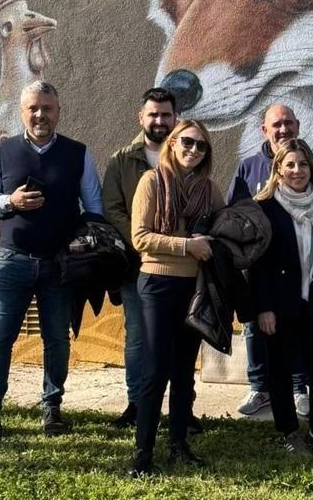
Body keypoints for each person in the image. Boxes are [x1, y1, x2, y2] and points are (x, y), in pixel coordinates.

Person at [0, 81, 103, 446]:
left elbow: (94, 208)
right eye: (33, 109)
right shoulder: (3, 152)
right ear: (22, 111)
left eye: (47, 108)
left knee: (56, 339)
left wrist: (83, 244)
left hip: (59, 266)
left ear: (58, 111)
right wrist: (9, 201)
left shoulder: (78, 154)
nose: (40, 115)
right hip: (12, 263)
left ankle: (51, 406)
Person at [228, 103, 313, 418]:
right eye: (276, 124)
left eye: (288, 123)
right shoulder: (248, 168)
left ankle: (301, 389)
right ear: (264, 129)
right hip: (271, 290)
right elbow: (235, 219)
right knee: (262, 339)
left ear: (298, 126)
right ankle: (260, 388)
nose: (283, 129)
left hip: (312, 292)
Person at [128, 120, 224, 477]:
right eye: (187, 142)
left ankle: (179, 443)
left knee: (184, 371)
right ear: (172, 143)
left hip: (194, 289)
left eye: (201, 146)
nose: (193, 150)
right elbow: (140, 238)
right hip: (156, 284)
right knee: (155, 369)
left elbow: (220, 234)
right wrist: (187, 245)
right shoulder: (151, 182)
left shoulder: (210, 190)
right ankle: (142, 453)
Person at [102, 87, 189, 430]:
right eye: (153, 115)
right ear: (141, 118)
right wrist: (146, 243)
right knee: (139, 336)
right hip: (137, 266)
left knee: (180, 336)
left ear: (175, 118)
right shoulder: (122, 160)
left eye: (166, 115)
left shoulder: (187, 154)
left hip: (182, 267)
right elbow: (112, 209)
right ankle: (137, 404)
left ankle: (183, 408)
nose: (159, 121)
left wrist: (174, 244)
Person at [251, 139, 313, 451]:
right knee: (279, 371)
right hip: (278, 305)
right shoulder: (265, 209)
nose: (297, 170)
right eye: (289, 164)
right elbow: (258, 265)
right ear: (278, 169)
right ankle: (289, 432)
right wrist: (263, 308)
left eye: (303, 164)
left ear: (311, 169)